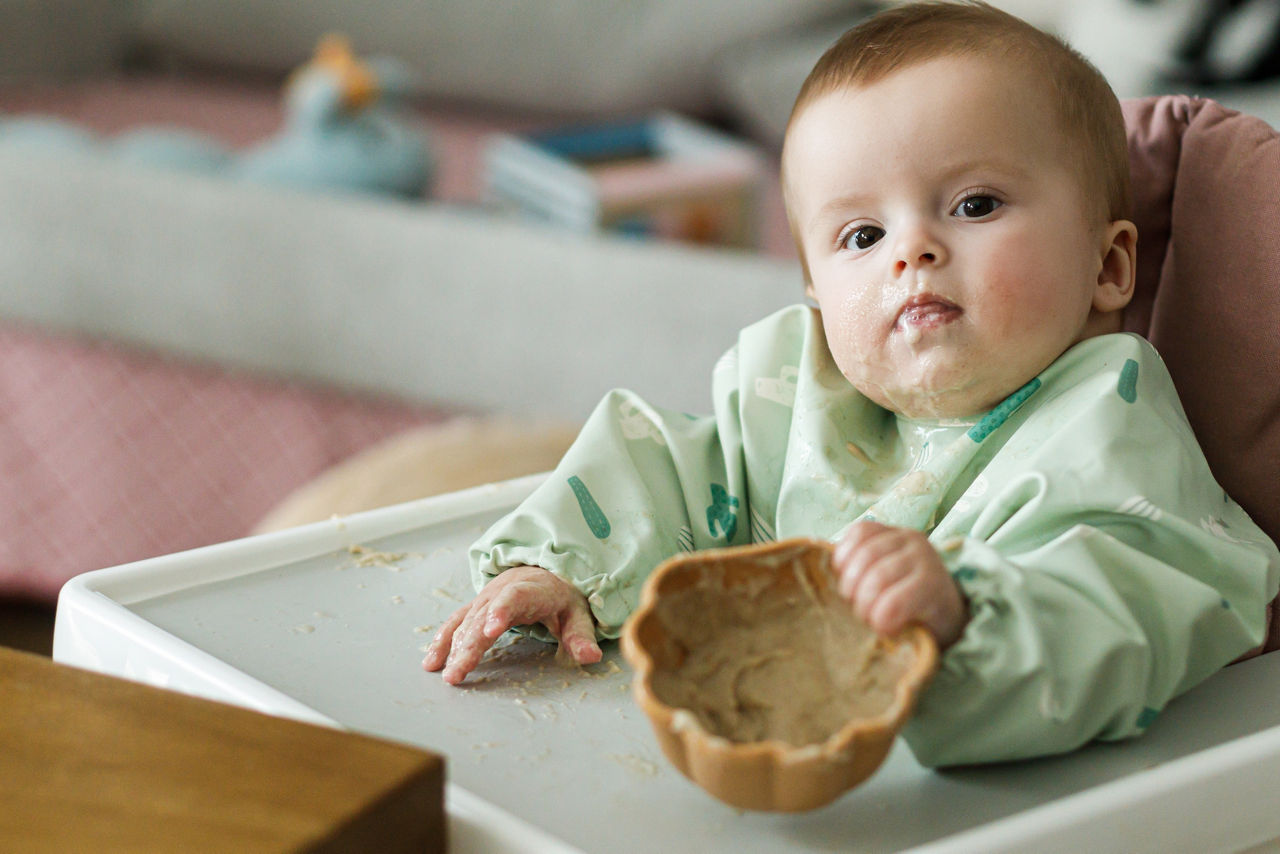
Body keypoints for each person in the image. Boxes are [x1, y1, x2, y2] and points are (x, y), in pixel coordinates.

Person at [423, 0, 1280, 766]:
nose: (912, 250)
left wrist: (962, 616)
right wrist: (562, 569)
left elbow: (1124, 607)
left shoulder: (1109, 425)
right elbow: (676, 471)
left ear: (1110, 263)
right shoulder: (800, 385)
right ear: (815, 292)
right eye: (863, 234)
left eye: (975, 205)